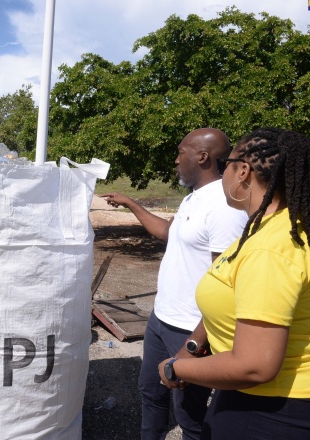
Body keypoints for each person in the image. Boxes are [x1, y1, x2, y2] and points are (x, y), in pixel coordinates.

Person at [158, 128, 310, 439]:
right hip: (255, 400)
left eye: (227, 165)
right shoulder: (271, 229)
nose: (223, 175)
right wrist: (193, 347)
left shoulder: (270, 249)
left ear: (243, 171)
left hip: (272, 413)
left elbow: (254, 365)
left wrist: (173, 368)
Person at [101, 128, 248, 440]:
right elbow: (170, 233)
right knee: (150, 394)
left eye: (181, 152)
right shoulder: (194, 197)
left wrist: (194, 345)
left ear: (202, 157)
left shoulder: (224, 207)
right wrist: (132, 204)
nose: (176, 160)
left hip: (190, 328)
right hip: (161, 319)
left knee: (190, 416)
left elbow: (229, 285)